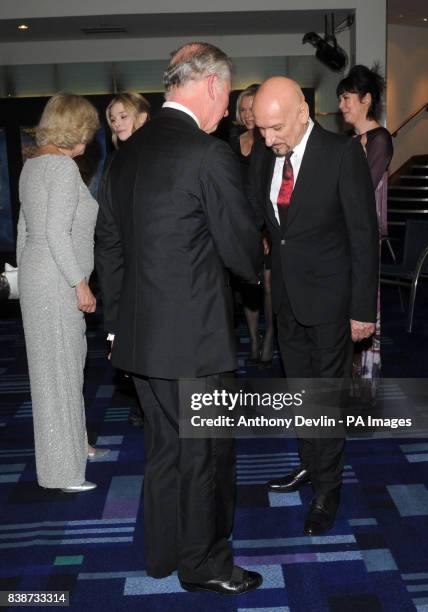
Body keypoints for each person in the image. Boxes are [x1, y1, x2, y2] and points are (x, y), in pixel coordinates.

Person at [95, 42, 263, 594]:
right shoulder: (207, 154)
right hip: (196, 345)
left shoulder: (126, 155)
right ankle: (206, 566)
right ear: (212, 85)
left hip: (139, 342)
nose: (228, 105)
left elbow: (110, 250)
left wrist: (115, 327)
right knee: (208, 458)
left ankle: (162, 555)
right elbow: (242, 253)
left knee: (166, 450)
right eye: (230, 93)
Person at [249, 77, 379, 535]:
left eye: (276, 128)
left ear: (304, 112)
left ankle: (328, 488)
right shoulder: (266, 154)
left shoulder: (343, 155)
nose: (268, 139)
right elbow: (263, 224)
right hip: (285, 300)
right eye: (262, 129)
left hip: (332, 303)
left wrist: (364, 310)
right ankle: (309, 464)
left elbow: (364, 237)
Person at [17, 92, 102, 493]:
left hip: (37, 277)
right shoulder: (63, 170)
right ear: (74, 130)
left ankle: (75, 444)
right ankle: (64, 472)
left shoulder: (31, 166)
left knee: (55, 368)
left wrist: (23, 283)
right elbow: (55, 233)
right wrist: (80, 284)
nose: (88, 143)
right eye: (86, 133)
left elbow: (24, 233)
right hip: (57, 278)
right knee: (62, 370)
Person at [337, 65, 394, 403]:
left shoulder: (379, 139)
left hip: (362, 238)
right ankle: (348, 384)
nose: (342, 105)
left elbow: (361, 190)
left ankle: (365, 391)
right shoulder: (350, 142)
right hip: (341, 236)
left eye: (346, 98)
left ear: (365, 99)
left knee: (364, 312)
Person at [102, 92, 151, 428]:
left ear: (141, 117)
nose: (117, 123)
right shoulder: (116, 162)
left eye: (123, 116)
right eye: (113, 119)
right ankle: (145, 405)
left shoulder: (153, 156)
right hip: (123, 262)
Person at [230, 84, 274, 367]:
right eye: (243, 109)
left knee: (269, 286)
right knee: (249, 283)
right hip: (242, 224)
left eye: (252, 108)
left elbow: (274, 188)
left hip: (267, 225)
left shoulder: (271, 141)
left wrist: (266, 229)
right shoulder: (234, 141)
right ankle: (254, 339)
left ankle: (270, 336)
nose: (247, 114)